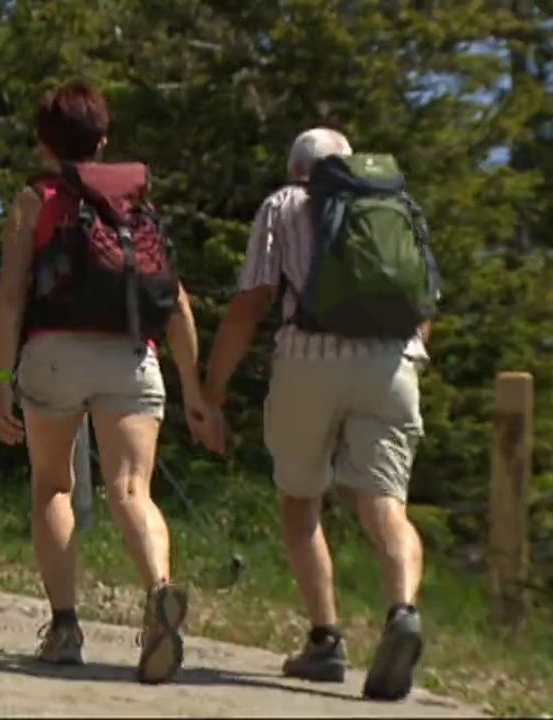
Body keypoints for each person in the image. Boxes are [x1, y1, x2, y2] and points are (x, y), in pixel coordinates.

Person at [0, 80, 219, 685]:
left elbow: (11, 297)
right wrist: (193, 389)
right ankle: (160, 591)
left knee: (52, 487)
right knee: (132, 489)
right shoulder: (134, 204)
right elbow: (177, 302)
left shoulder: (33, 200)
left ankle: (65, 629)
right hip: (130, 354)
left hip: (55, 352)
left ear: (44, 140)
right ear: (104, 138)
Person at [200, 127, 440, 701]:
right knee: (386, 504)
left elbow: (251, 304)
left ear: (297, 169)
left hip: (309, 359)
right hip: (392, 366)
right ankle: (402, 610)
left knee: (300, 498)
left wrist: (211, 390)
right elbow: (423, 303)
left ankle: (326, 640)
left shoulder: (284, 204)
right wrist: (412, 360)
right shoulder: (398, 206)